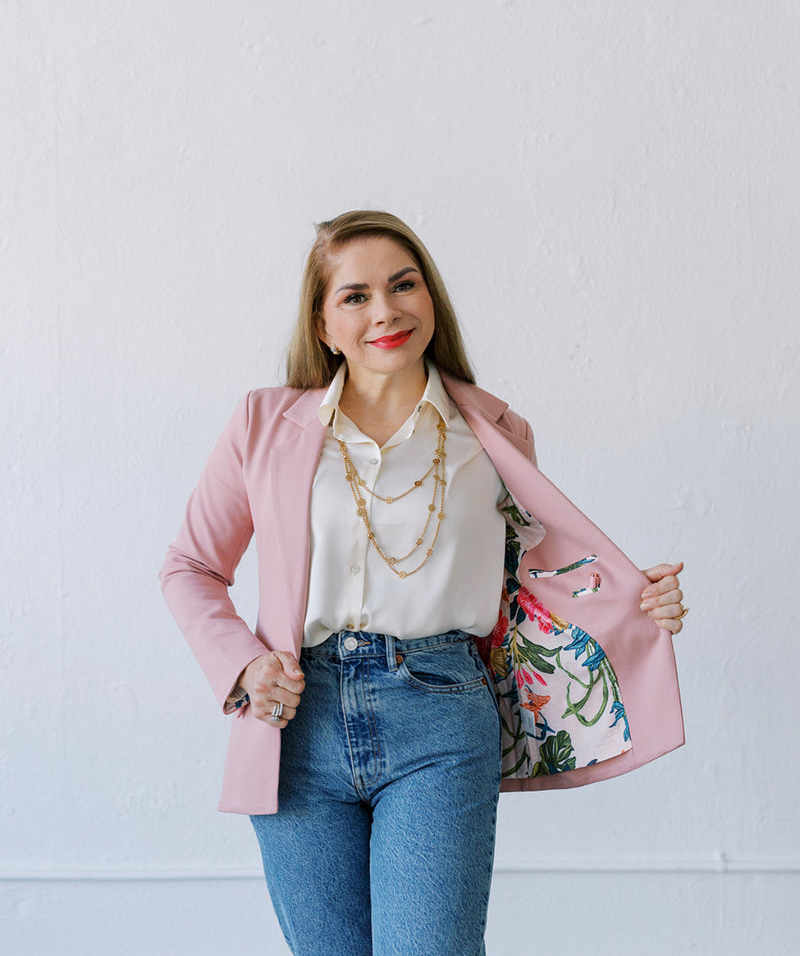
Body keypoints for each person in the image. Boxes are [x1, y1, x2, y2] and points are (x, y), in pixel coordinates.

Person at [160, 210, 686, 956]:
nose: (386, 310)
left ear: (430, 297)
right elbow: (190, 567)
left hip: (440, 715)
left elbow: (533, 583)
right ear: (323, 323)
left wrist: (636, 597)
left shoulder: (495, 433)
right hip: (296, 724)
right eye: (356, 295)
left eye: (404, 284)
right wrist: (242, 664)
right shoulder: (263, 424)